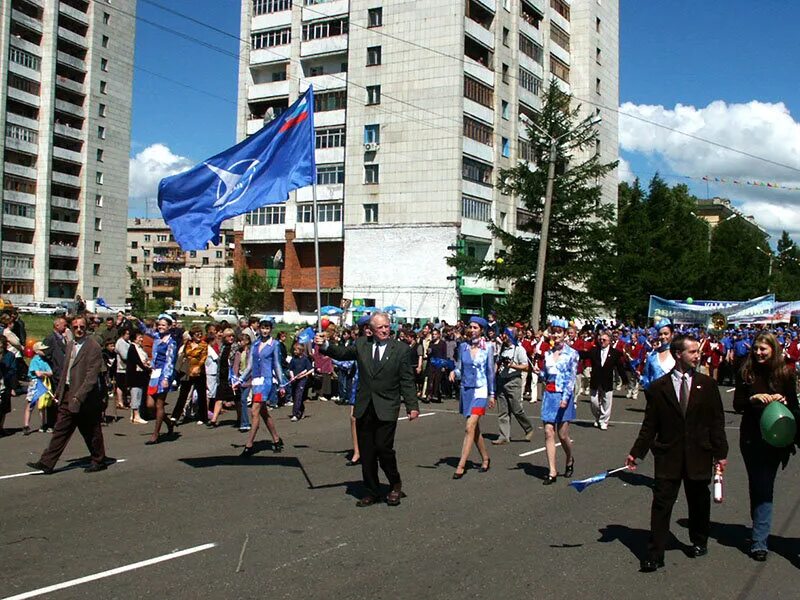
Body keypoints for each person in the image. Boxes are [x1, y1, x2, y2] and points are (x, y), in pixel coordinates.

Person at [626, 334, 729, 573]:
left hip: (699, 454)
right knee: (662, 504)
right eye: (692, 352)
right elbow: (649, 425)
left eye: (697, 351)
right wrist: (636, 453)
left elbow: (717, 422)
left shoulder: (707, 384)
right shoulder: (659, 388)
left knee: (699, 502)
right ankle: (655, 553)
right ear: (678, 355)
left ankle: (699, 540)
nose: (698, 355)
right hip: (668, 455)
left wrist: (720, 453)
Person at [317, 312, 420, 507]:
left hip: (387, 406)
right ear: (371, 329)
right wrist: (325, 345)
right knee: (367, 452)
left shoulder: (401, 349)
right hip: (365, 405)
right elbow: (342, 353)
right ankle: (371, 490)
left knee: (383, 448)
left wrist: (412, 406)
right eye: (380, 327)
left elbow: (407, 379)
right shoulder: (362, 344)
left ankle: (394, 484)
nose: (384, 330)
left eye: (387, 326)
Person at [733, 332, 799, 561]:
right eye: (756, 348)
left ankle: (759, 541)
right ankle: (759, 529)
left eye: (764, 349)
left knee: (764, 486)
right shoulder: (746, 371)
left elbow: (795, 409)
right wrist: (753, 399)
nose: (759, 353)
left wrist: (785, 402)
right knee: (757, 485)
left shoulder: (785, 373)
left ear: (773, 349)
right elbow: (737, 403)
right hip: (751, 438)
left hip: (776, 439)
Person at [27, 316, 110, 474]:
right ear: (71, 328)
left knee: (91, 430)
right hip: (67, 394)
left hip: (85, 398)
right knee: (61, 430)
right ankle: (47, 462)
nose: (79, 330)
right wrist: (59, 392)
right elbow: (65, 370)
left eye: (82, 327)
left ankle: (99, 460)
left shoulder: (93, 346)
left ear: (87, 328)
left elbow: (92, 376)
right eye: (75, 327)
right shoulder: (71, 344)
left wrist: (79, 396)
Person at [449, 316, 496, 478]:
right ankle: (485, 458)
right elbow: (460, 368)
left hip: (481, 391)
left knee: (469, 427)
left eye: (476, 327)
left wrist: (492, 394)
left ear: (481, 330)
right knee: (474, 429)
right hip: (467, 390)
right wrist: (453, 372)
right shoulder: (463, 347)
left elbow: (490, 372)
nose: (472, 330)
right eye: (471, 327)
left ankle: (461, 464)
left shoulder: (488, 347)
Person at [534, 319, 579, 485]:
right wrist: (539, 373)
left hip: (563, 396)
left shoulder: (572, 354)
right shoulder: (547, 353)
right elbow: (546, 376)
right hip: (549, 396)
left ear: (565, 333)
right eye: (554, 331)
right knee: (548, 431)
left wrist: (566, 398)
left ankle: (569, 458)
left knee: (562, 434)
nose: (556, 334)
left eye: (559, 331)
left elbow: (571, 379)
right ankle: (552, 470)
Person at [241, 318, 286, 456]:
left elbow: (277, 365)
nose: (265, 331)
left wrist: (282, 383)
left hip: (266, 382)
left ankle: (249, 444)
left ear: (271, 329)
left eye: (267, 328)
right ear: (259, 328)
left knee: (255, 411)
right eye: (263, 328)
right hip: (256, 381)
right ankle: (276, 439)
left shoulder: (275, 344)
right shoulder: (254, 345)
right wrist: (240, 379)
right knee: (263, 412)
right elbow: (249, 366)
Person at [493, 327, 534, 445]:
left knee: (516, 409)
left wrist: (511, 365)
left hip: (513, 381)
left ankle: (528, 428)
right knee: (503, 410)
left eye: (505, 334)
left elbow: (525, 367)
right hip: (502, 380)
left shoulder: (519, 349)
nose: (503, 336)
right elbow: (498, 362)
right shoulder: (502, 348)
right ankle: (504, 436)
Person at [141, 314, 178, 444]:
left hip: (164, 374)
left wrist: (167, 378)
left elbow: (170, 361)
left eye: (164, 325)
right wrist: (149, 364)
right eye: (160, 325)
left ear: (169, 327)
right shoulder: (157, 338)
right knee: (150, 405)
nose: (161, 327)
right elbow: (154, 356)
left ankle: (155, 434)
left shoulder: (171, 343)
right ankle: (169, 422)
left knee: (159, 404)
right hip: (155, 373)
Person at [588, 331, 624, 430]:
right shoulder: (594, 350)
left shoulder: (615, 353)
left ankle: (604, 421)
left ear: (609, 341)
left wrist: (625, 380)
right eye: (600, 339)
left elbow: (620, 367)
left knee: (607, 401)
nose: (602, 341)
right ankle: (598, 416)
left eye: (604, 340)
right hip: (595, 380)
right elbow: (584, 355)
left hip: (607, 381)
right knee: (593, 401)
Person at [640, 320, 675, 391]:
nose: (663, 336)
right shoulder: (652, 356)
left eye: (666, 333)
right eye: (660, 334)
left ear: (672, 334)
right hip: (655, 397)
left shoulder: (678, 355)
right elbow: (646, 377)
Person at [126, 331, 150, 424]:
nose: (141, 339)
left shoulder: (139, 348)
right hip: (135, 376)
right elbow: (138, 362)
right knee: (136, 395)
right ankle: (136, 415)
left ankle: (135, 414)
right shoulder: (132, 348)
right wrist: (146, 368)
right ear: (134, 339)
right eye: (139, 337)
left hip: (140, 375)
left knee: (138, 394)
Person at [288, 342, 313, 422]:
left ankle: (295, 414)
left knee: (299, 396)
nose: (294, 352)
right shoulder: (293, 359)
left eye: (296, 350)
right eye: (294, 350)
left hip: (302, 380)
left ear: (301, 350)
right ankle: (301, 410)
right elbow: (291, 369)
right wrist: (292, 377)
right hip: (294, 380)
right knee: (295, 397)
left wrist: (303, 375)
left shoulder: (305, 359)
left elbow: (311, 369)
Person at [114, 329, 131, 411]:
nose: (128, 335)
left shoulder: (128, 342)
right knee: (121, 385)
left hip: (127, 368)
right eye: (127, 334)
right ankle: (120, 402)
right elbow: (124, 356)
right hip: (122, 368)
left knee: (126, 386)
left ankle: (124, 401)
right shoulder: (120, 342)